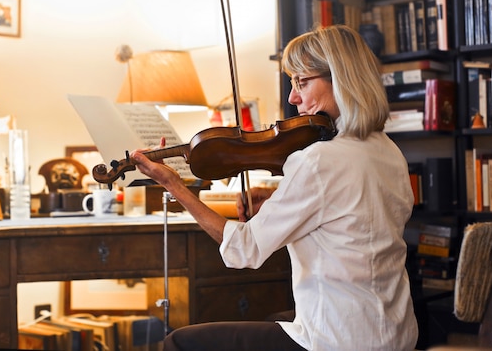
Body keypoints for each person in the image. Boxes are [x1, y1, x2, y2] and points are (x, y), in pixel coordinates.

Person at [130, 25, 418, 350]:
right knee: (273, 321)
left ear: (341, 79)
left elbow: (244, 250)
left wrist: (174, 185)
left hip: (333, 340)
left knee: (181, 342)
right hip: (394, 335)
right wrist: (275, 197)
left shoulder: (318, 159)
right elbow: (352, 215)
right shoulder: (389, 151)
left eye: (302, 82)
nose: (293, 97)